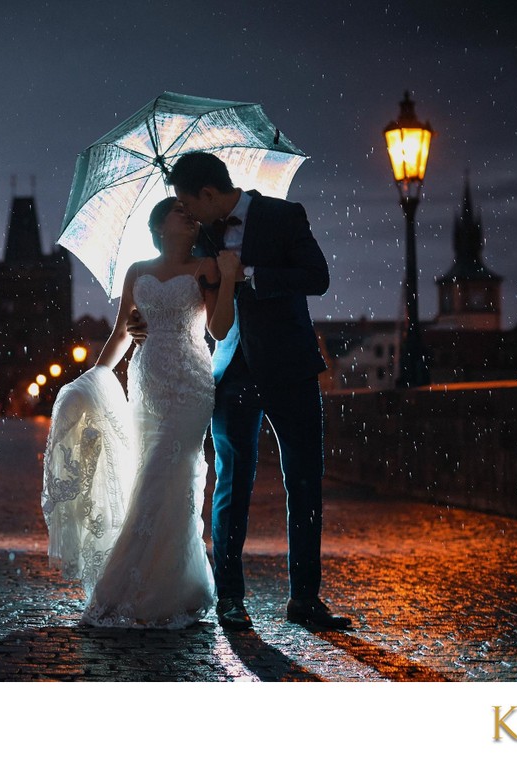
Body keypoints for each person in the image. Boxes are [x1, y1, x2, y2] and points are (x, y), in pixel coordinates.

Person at [138, 151, 351, 631]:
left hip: (291, 369)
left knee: (304, 483)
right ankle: (230, 599)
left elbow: (317, 277)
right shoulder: (201, 234)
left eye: (190, 204)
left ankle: (305, 600)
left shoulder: (283, 215)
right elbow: (174, 279)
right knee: (232, 486)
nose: (187, 215)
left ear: (210, 194)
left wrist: (249, 274)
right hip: (231, 369)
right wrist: (142, 319)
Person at [42, 197, 241, 628]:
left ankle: (128, 589)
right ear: (158, 226)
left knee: (165, 475)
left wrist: (226, 281)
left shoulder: (206, 267)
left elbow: (219, 329)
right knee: (149, 475)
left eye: (189, 212)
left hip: (190, 382)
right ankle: (173, 584)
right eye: (177, 210)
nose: (186, 214)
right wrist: (93, 378)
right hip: (146, 382)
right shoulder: (137, 270)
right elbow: (119, 334)